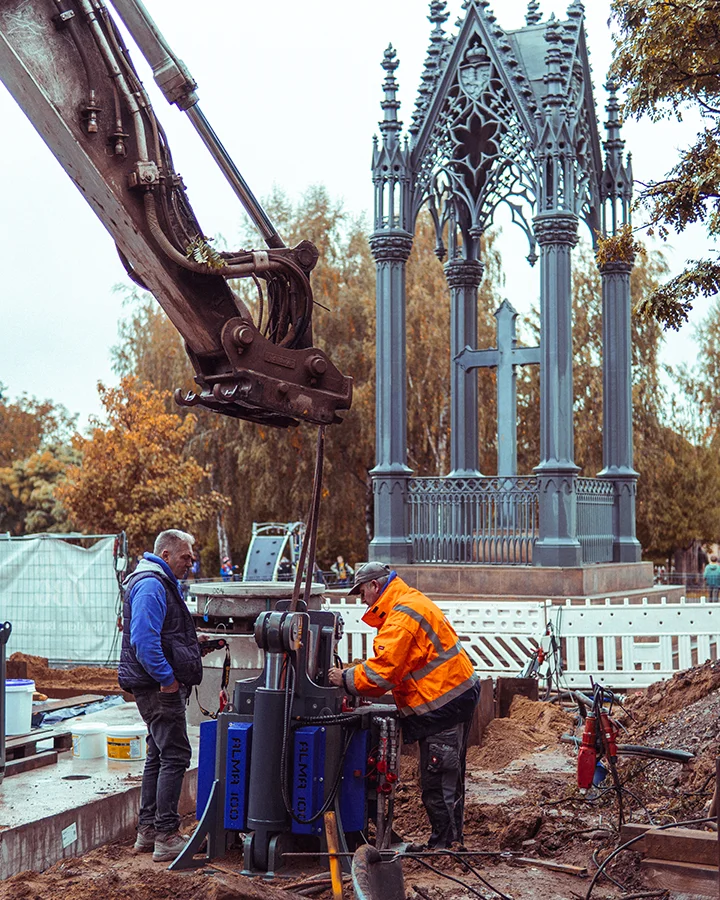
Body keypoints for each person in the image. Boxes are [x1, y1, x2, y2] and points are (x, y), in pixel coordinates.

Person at [328, 562, 479, 850]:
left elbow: (381, 673)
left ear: (375, 586)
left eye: (362, 592)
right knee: (448, 773)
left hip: (443, 702)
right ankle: (450, 840)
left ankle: (446, 846)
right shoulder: (407, 601)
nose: (362, 599)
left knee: (438, 777)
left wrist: (344, 678)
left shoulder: (399, 617)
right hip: (454, 694)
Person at [118, 529, 203, 863]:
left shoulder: (156, 581)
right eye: (186, 557)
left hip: (152, 683)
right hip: (157, 687)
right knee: (176, 755)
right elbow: (143, 640)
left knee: (158, 753)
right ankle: (167, 835)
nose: (190, 565)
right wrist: (167, 680)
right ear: (166, 554)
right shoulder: (153, 584)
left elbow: (161, 634)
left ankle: (149, 831)